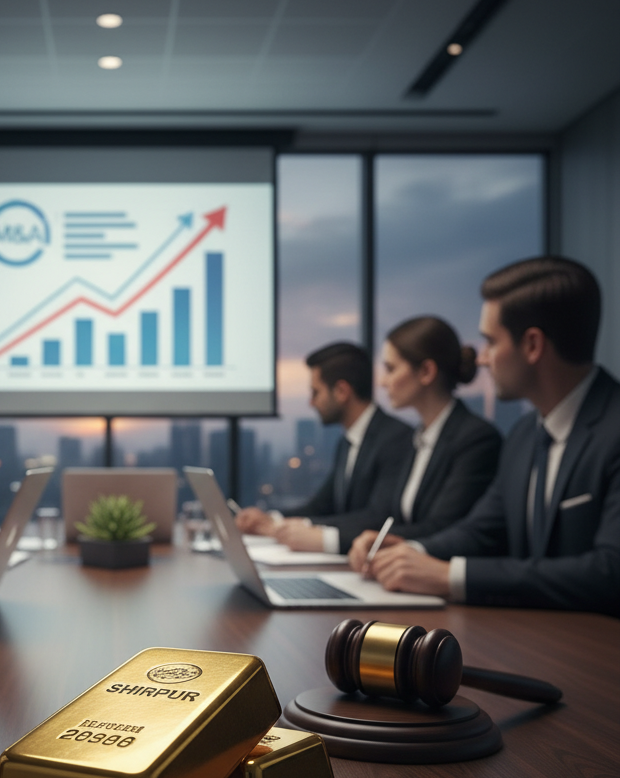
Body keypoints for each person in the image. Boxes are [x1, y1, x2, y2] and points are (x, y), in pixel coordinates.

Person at [354, 256, 619, 616]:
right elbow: (482, 531)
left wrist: (453, 577)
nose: (482, 359)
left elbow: (609, 573)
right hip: (541, 640)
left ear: (532, 345)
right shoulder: (525, 435)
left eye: (491, 342)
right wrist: (410, 551)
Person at [343, 316, 501, 558]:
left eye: (391, 369)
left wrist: (384, 544)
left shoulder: (476, 439)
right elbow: (385, 514)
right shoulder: (415, 438)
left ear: (426, 372)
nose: (384, 382)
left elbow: (445, 527)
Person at [235, 341, 413, 553]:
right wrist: (270, 519)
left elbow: (379, 516)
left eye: (315, 392)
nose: (311, 402)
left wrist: (308, 531)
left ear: (341, 391)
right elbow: (321, 505)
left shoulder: (395, 438)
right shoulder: (348, 441)